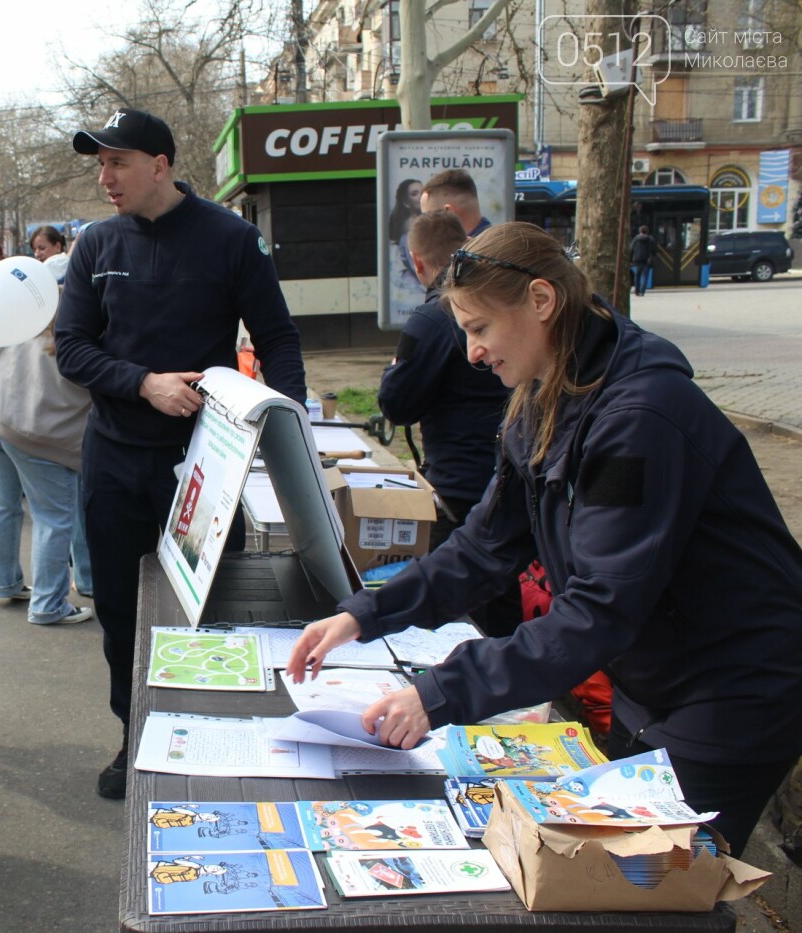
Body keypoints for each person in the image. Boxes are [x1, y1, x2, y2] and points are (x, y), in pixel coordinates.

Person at [287, 222, 802, 853]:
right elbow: (485, 547)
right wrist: (363, 615)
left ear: (540, 301)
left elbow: (600, 605)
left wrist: (441, 691)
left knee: (654, 877)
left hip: (736, 686)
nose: (472, 353)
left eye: (479, 329)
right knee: (621, 870)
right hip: (657, 679)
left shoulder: (638, 419)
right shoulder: (541, 400)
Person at [55, 107, 306, 799]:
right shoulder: (96, 246)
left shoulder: (231, 238)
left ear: (160, 164)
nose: (105, 177)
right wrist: (143, 383)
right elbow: (71, 348)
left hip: (205, 464)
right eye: (100, 164)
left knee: (205, 607)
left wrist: (292, 440)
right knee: (119, 610)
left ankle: (204, 730)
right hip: (113, 460)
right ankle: (134, 734)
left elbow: (278, 339)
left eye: (118, 162)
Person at [376, 210, 519, 636]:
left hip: (461, 492)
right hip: (504, 487)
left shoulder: (432, 318)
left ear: (417, 262)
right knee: (499, 604)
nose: (478, 352)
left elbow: (396, 403)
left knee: (459, 618)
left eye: (479, 331)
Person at [0, 246, 93, 625]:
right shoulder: (81, 322)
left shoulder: (21, 310)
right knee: (55, 518)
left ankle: (3, 581)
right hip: (42, 435)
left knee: (0, 504)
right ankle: (48, 603)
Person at [30, 224, 93, 598]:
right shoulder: (81, 307)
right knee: (65, 515)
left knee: (54, 517)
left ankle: (80, 579)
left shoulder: (36, 306)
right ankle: (52, 598)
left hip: (35, 424)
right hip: (68, 429)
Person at [419, 169, 492, 237]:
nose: (425, 226)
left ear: (449, 212)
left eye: (428, 217)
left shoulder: (472, 249)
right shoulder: (497, 243)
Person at [387, 179, 423, 244]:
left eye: (423, 192)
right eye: (414, 194)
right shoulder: (411, 225)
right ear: (405, 202)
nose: (421, 196)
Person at [629, 225, 655, 297]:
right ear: (647, 232)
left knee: (637, 276)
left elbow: (631, 249)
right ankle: (642, 291)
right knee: (644, 276)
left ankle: (636, 290)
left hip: (636, 260)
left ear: (640, 231)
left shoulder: (636, 239)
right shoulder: (650, 239)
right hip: (646, 261)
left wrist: (630, 259)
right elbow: (654, 250)